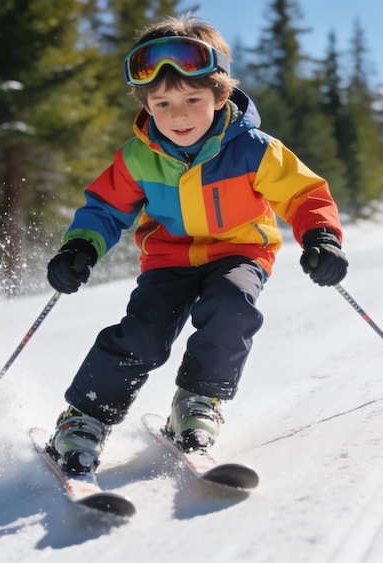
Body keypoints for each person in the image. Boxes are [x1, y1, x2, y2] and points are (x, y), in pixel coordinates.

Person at [44, 15, 348, 475]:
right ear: (145, 103)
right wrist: (80, 248)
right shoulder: (137, 156)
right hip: (168, 259)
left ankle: (197, 403)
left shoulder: (254, 149)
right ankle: (84, 415)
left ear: (220, 95)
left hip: (240, 252)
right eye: (162, 103)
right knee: (144, 335)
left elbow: (303, 194)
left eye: (192, 99)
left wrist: (321, 236)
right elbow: (105, 209)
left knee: (233, 306)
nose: (178, 115)